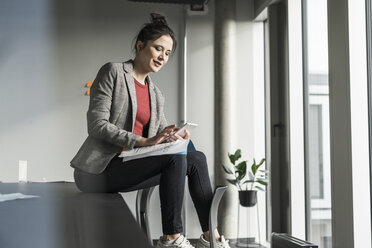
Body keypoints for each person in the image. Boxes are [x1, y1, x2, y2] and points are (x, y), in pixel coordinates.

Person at [70, 13, 230, 248]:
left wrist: (175, 137)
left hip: (131, 164)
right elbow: (97, 125)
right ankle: (171, 238)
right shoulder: (113, 72)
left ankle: (211, 236)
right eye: (158, 49)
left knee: (195, 157)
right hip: (98, 171)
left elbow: (160, 136)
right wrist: (143, 141)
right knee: (176, 158)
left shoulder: (156, 94)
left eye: (167, 54)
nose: (163, 57)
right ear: (140, 45)